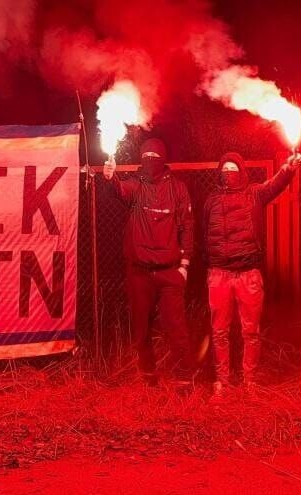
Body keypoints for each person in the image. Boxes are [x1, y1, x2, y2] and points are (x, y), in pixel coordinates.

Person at [204, 151, 301, 397]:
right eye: (224, 169)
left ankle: (250, 381)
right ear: (219, 173)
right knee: (219, 331)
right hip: (219, 274)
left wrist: (288, 169)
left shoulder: (255, 194)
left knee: (251, 331)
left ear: (241, 171)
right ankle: (222, 382)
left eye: (233, 169)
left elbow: (276, 184)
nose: (228, 173)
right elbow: (204, 231)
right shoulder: (211, 200)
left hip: (248, 273)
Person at [101, 138, 195, 386]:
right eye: (146, 156)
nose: (150, 160)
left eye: (155, 156)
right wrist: (111, 177)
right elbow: (119, 190)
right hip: (140, 273)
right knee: (141, 328)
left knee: (176, 328)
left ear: (163, 159)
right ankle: (148, 375)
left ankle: (184, 378)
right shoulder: (136, 185)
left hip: (169, 271)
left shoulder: (177, 188)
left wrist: (184, 264)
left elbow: (187, 226)